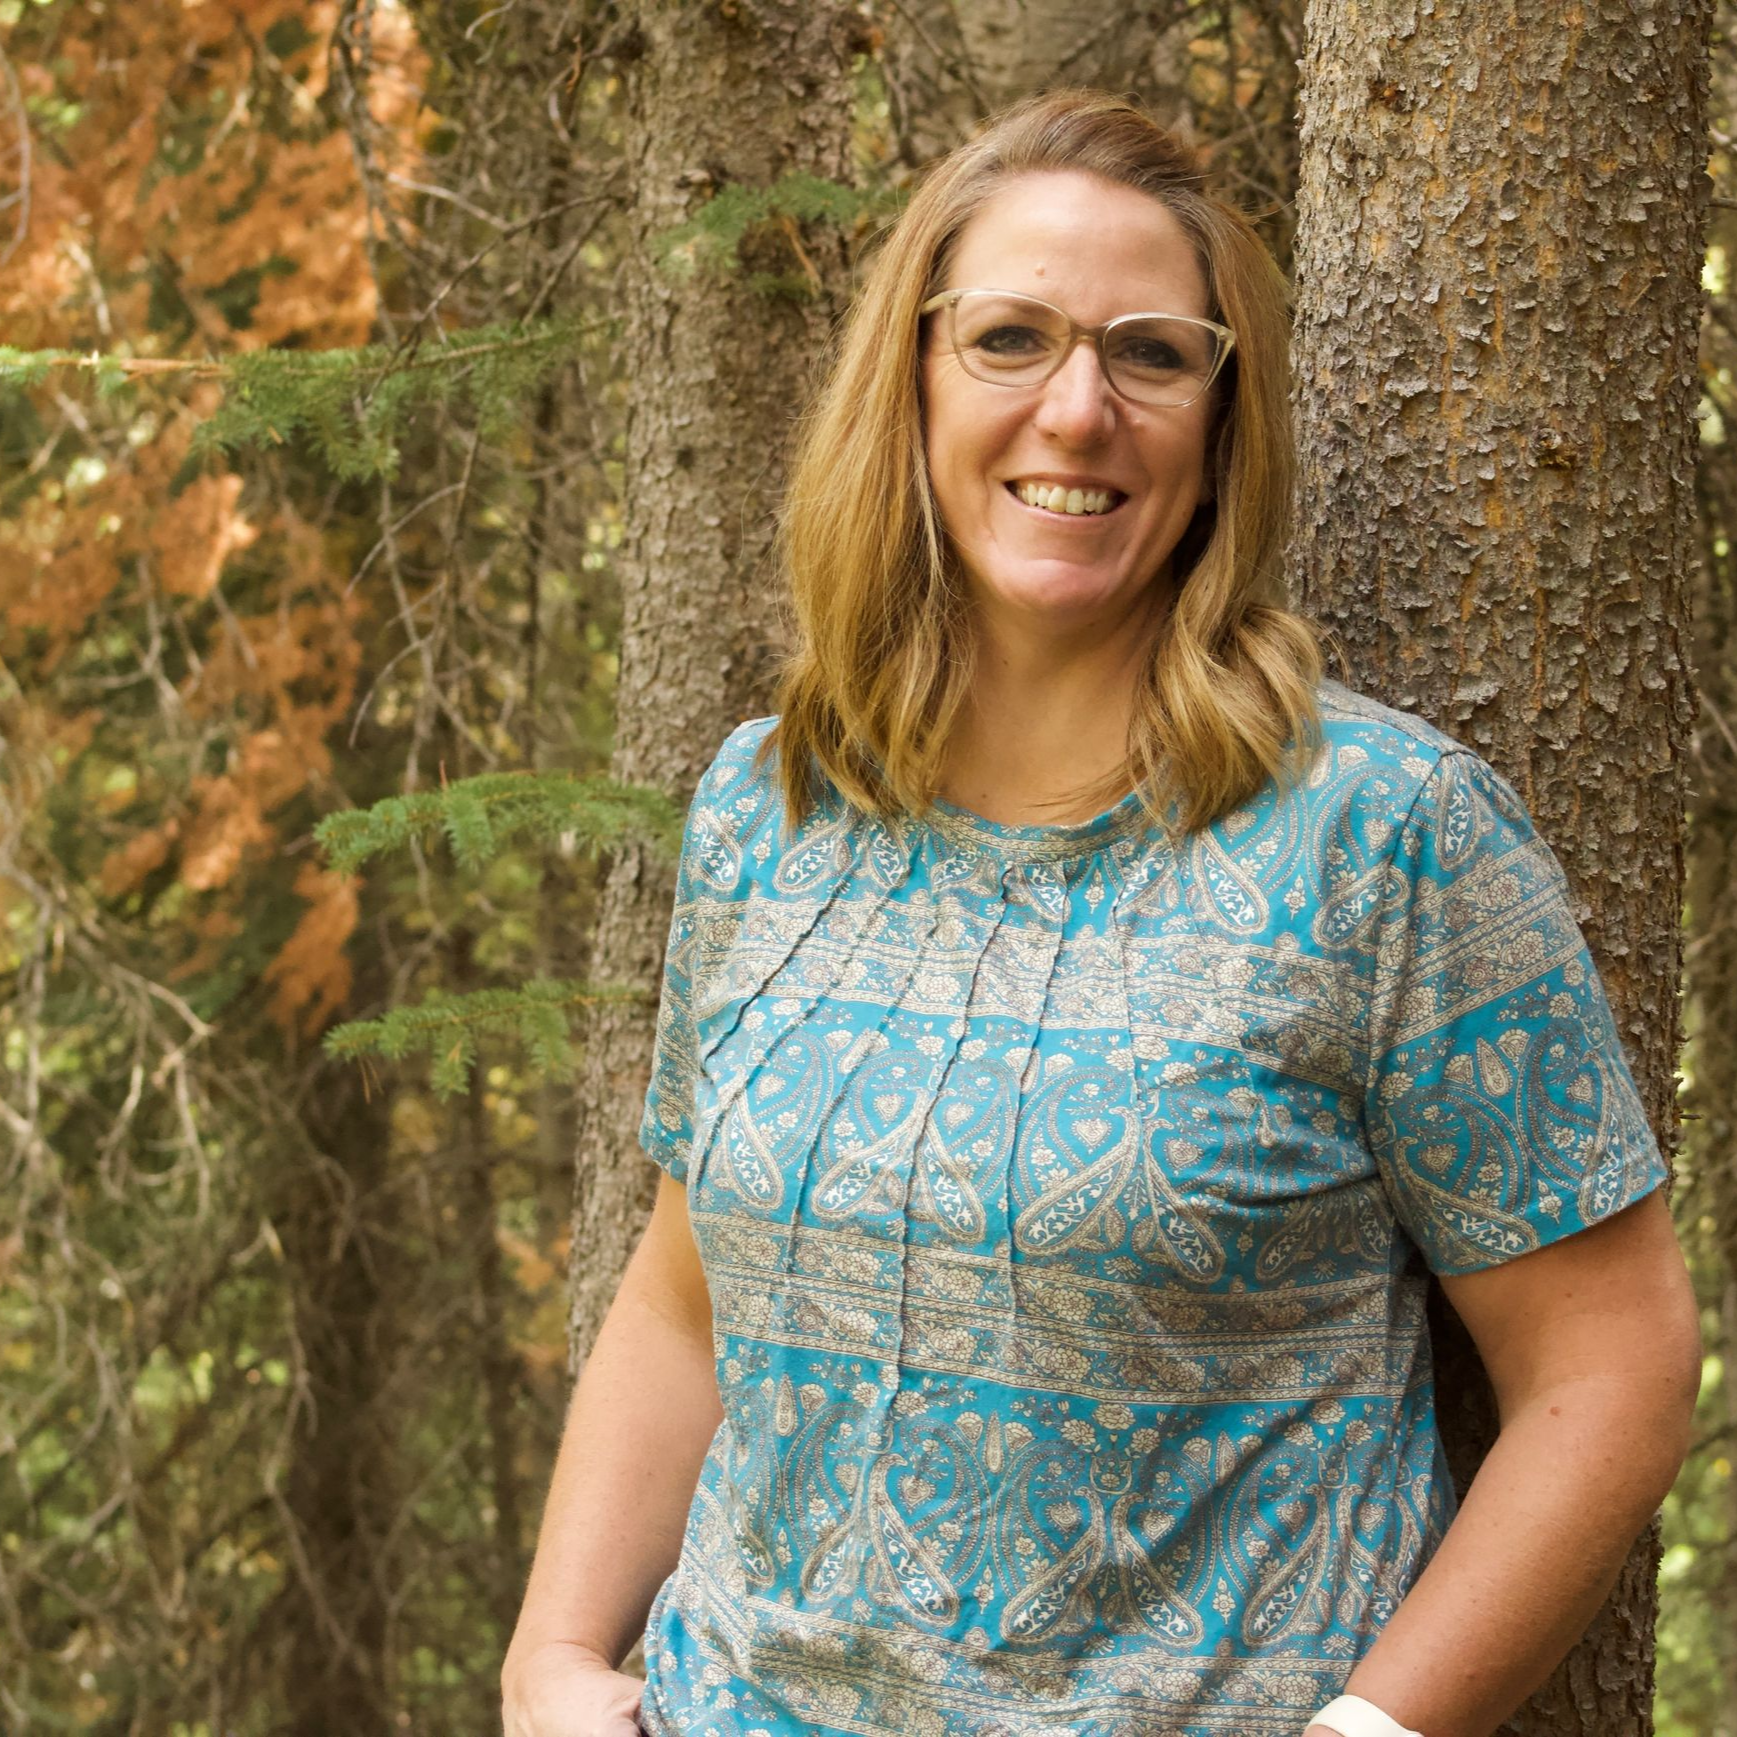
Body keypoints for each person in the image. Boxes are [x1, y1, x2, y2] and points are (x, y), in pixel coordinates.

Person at [501, 88, 1702, 1737]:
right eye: (1010, 338)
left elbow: (1613, 1368)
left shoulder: (1384, 839)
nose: (1079, 410)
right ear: (911, 381)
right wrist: (554, 1657)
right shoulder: (771, 807)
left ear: (1224, 418)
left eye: (1150, 353)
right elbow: (686, 1291)